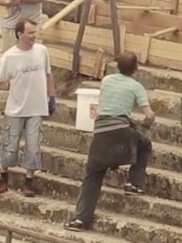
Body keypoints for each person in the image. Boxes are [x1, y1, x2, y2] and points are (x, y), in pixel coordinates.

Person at [65, 53, 155, 231]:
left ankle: (81, 219)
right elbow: (149, 115)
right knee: (144, 144)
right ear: (136, 69)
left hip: (101, 133)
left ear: (117, 67)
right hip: (122, 132)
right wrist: (145, 124)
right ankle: (133, 183)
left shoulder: (106, 80)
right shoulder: (136, 87)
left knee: (93, 175)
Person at [0, 19, 55, 197]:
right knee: (9, 144)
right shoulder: (9, 56)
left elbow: (48, 74)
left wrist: (52, 96)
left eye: (34, 32)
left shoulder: (42, 51)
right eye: (30, 33)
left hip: (37, 108)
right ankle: (3, 176)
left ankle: (29, 181)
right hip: (15, 109)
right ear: (19, 34)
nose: (34, 36)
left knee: (33, 146)